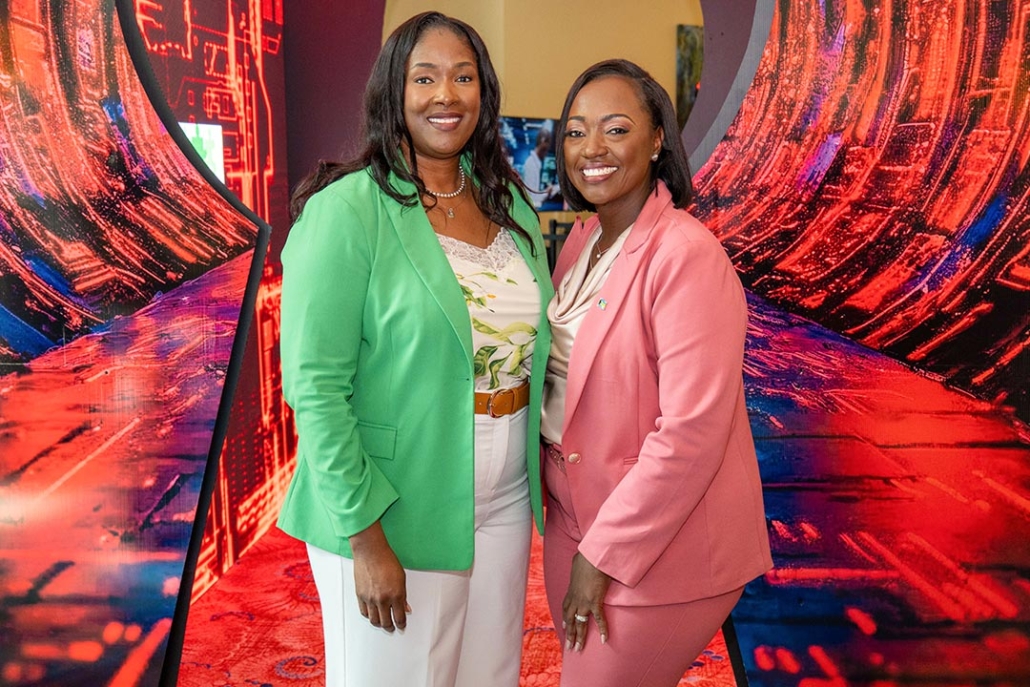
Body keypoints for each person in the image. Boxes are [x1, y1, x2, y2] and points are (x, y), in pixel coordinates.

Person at [276, 12, 553, 687]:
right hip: (391, 502)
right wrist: (364, 535)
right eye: (424, 78)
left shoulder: (510, 208)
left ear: (484, 93)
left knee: (489, 676)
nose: (445, 95)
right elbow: (315, 387)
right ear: (392, 92)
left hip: (506, 496)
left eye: (463, 77)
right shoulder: (348, 210)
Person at [539, 59, 772, 686]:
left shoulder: (686, 255)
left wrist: (602, 553)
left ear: (656, 141)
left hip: (659, 544)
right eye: (576, 131)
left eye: (616, 129)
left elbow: (691, 432)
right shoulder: (583, 239)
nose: (592, 148)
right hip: (573, 519)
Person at [522, 126, 560, 209]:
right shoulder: (531, 164)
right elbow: (533, 199)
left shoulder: (536, 163)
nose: (546, 153)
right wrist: (547, 192)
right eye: (545, 149)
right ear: (543, 141)